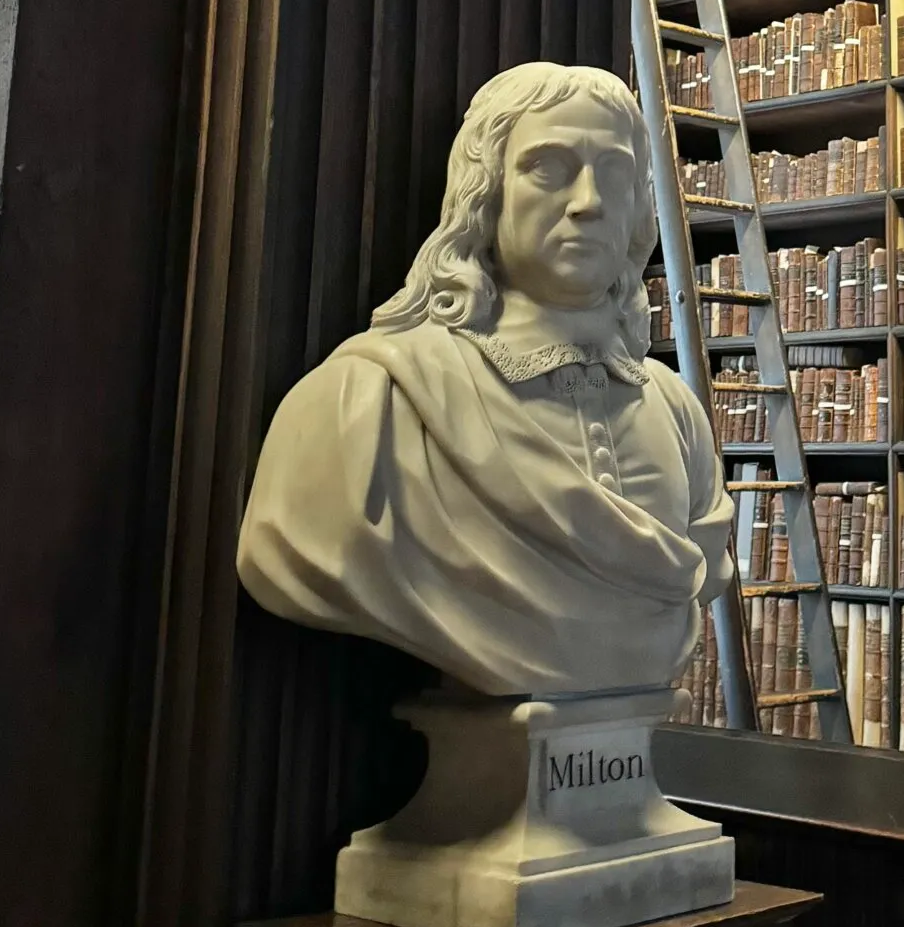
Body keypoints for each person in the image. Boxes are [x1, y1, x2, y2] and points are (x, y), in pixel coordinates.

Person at [238, 61, 732, 699]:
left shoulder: (675, 409)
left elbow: (708, 560)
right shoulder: (372, 401)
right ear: (486, 191)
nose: (589, 202)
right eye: (549, 169)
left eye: (614, 172)